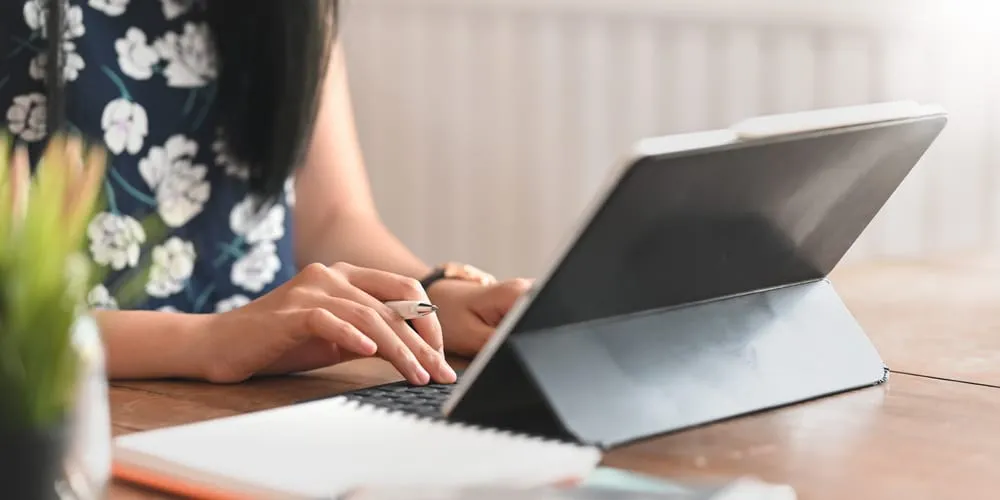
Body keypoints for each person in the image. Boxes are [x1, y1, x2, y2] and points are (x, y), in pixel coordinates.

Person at [0, 1, 531, 386]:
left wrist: (427, 295)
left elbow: (332, 219)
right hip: (63, 407)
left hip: (271, 386)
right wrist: (207, 342)